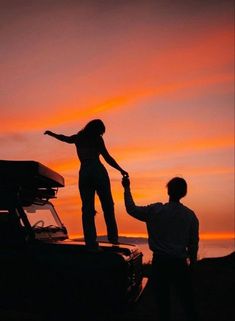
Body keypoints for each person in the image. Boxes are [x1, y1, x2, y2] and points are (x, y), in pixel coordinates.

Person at [122, 175, 199, 321]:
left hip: (160, 264)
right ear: (184, 193)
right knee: (188, 304)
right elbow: (193, 245)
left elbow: (131, 209)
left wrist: (126, 188)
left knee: (162, 305)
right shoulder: (190, 216)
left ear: (168, 191)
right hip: (180, 265)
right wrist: (193, 266)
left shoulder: (155, 211)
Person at [44, 119, 128, 250]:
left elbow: (64, 138)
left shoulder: (79, 137)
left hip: (85, 172)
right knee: (107, 205)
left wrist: (52, 134)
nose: (101, 134)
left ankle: (90, 240)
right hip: (97, 170)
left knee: (87, 208)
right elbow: (107, 157)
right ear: (98, 130)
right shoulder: (97, 139)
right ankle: (113, 238)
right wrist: (120, 169)